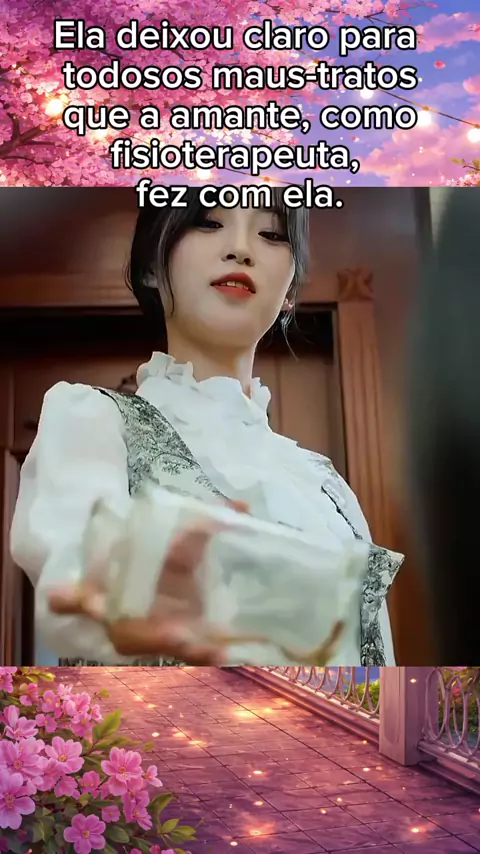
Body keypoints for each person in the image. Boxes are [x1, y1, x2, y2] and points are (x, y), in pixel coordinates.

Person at [10, 188, 403, 667]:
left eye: (271, 233)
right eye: (209, 223)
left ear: (290, 292)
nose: (240, 248)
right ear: (151, 267)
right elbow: (70, 564)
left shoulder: (328, 490)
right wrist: (124, 588)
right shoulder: (91, 418)